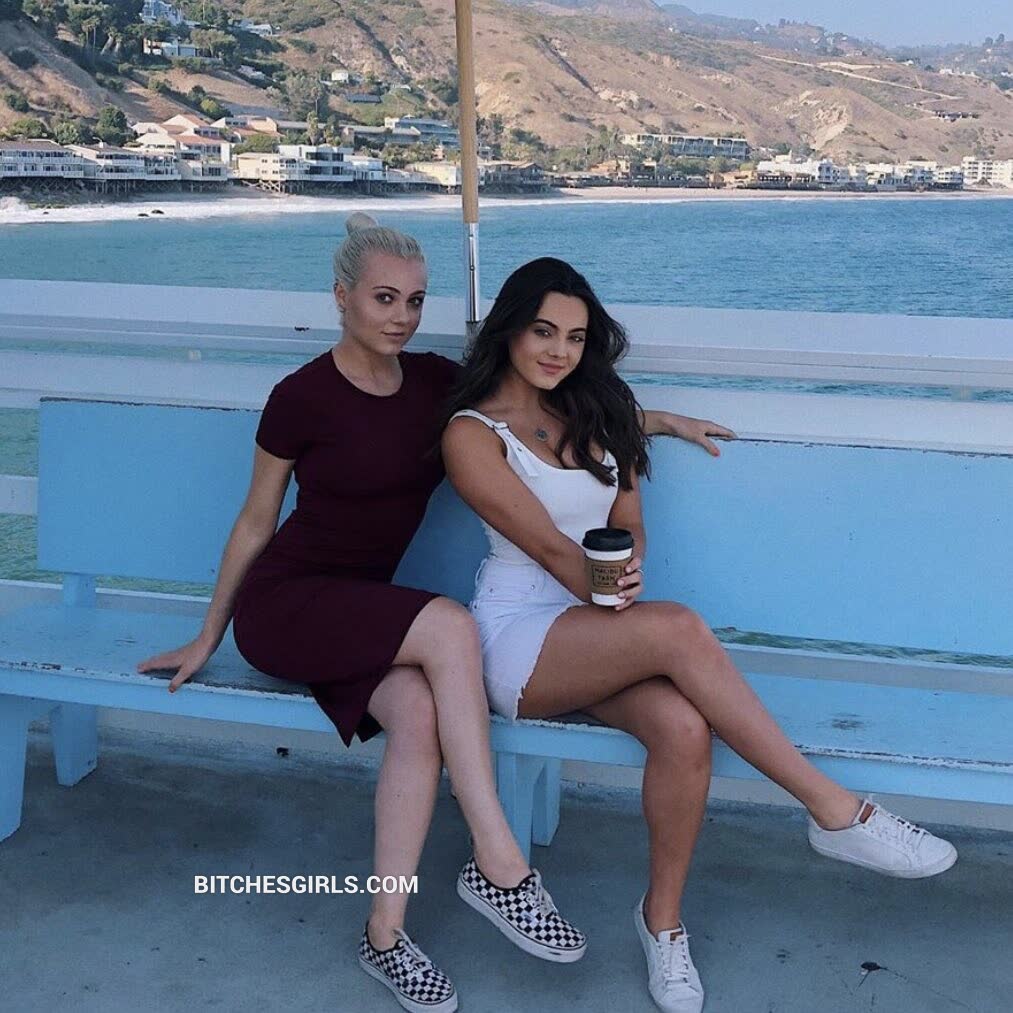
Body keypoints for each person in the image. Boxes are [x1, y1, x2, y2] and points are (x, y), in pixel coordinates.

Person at [135, 217, 721, 1013]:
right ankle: (499, 860)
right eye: (383, 298)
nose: (401, 316)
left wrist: (658, 421)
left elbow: (540, 411)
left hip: (367, 613)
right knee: (449, 623)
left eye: (414, 300)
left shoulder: (435, 386)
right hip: (288, 604)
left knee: (416, 713)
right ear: (341, 296)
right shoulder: (299, 397)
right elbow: (255, 521)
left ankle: (383, 935)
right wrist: (210, 632)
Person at [440, 257, 958, 1013]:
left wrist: (639, 498)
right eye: (543, 331)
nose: (558, 351)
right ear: (510, 329)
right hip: (519, 636)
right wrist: (615, 593)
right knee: (678, 627)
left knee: (684, 728)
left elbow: (627, 526)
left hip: (596, 628)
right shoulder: (472, 434)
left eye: (575, 338)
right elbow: (551, 551)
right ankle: (835, 810)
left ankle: (663, 925)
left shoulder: (599, 411)